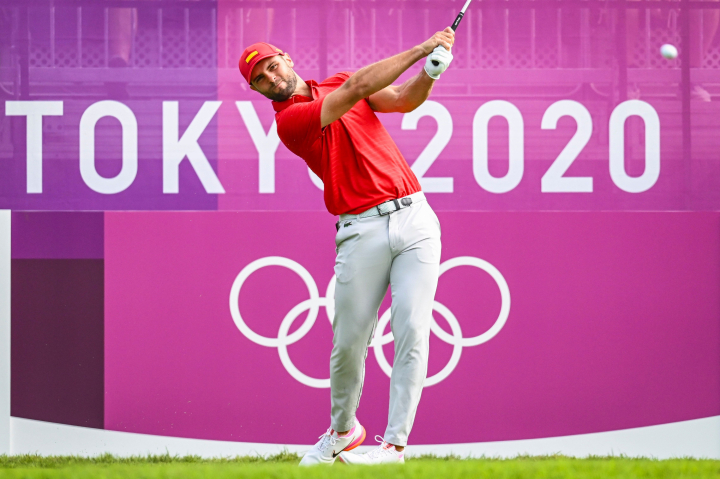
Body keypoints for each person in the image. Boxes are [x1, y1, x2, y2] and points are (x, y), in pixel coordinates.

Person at [238, 28, 455, 465]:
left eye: (273, 65)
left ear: (287, 58)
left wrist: (430, 73)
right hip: (361, 228)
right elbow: (358, 87)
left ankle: (394, 446)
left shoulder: (336, 80)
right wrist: (421, 48)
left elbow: (403, 100)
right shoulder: (289, 122)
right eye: (260, 78)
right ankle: (343, 430)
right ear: (257, 90)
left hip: (415, 216)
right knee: (349, 342)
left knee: (413, 328)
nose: (272, 77)